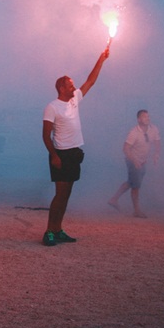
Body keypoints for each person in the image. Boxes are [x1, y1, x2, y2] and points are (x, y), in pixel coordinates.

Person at [41, 45, 110, 246]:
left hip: (74, 154)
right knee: (59, 195)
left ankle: (58, 229)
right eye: (70, 85)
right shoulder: (52, 107)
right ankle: (49, 231)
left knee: (67, 194)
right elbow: (46, 135)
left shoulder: (74, 101)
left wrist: (101, 59)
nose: (74, 88)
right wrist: (53, 156)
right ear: (61, 88)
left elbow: (91, 81)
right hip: (60, 154)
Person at [108, 109, 161, 217]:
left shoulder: (153, 129)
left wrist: (156, 154)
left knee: (131, 182)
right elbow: (126, 149)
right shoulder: (134, 133)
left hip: (143, 161)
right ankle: (137, 211)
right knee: (136, 186)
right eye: (145, 117)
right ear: (139, 120)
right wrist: (135, 161)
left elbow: (157, 142)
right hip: (133, 161)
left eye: (148, 116)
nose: (148, 118)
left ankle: (113, 199)